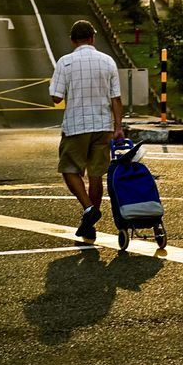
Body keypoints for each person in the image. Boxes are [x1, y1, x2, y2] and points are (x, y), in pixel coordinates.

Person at [49, 18, 125, 241]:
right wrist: (118, 127)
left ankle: (88, 209)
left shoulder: (65, 62)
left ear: (73, 40)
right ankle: (88, 225)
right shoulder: (108, 61)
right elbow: (116, 98)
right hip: (103, 126)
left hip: (76, 126)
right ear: (93, 37)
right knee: (96, 175)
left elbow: (56, 97)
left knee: (69, 169)